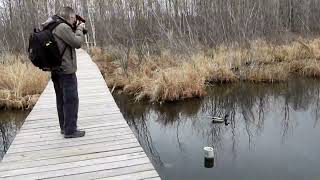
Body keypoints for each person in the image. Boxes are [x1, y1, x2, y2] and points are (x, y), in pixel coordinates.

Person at [43, 6, 86, 138]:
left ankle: (64, 127)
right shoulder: (63, 27)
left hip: (56, 69)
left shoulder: (52, 24)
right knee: (71, 100)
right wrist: (79, 28)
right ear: (71, 17)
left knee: (61, 99)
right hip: (66, 70)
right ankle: (70, 130)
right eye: (74, 19)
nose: (74, 21)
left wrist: (75, 28)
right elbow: (77, 43)